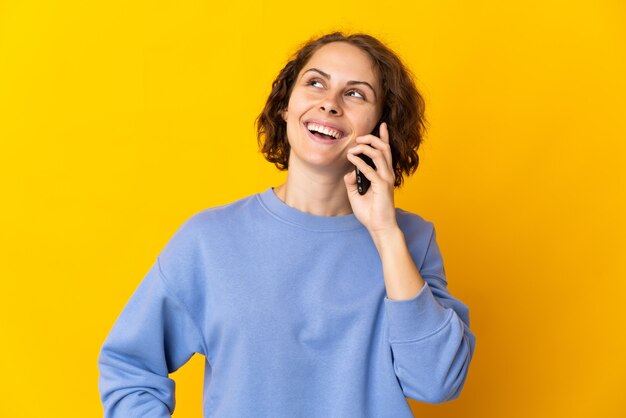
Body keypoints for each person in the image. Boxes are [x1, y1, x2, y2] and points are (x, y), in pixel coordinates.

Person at [98, 32, 476, 417]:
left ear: (382, 126)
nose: (329, 104)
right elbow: (130, 366)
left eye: (355, 94)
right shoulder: (209, 240)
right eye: (315, 83)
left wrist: (384, 232)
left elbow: (437, 382)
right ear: (286, 107)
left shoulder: (411, 240)